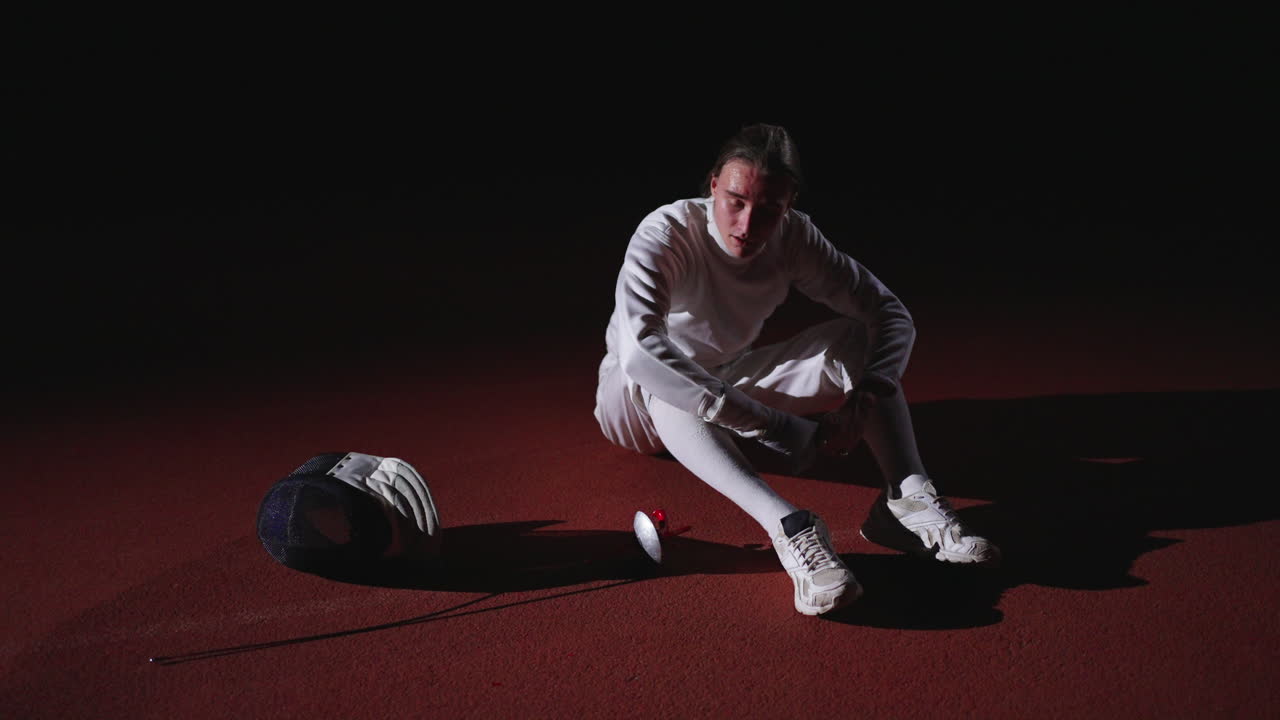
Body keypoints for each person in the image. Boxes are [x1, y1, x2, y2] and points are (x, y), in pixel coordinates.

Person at [593, 123, 1000, 616]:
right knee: (670, 381)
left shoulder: (793, 237)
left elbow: (888, 314)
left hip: (728, 376)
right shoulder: (666, 231)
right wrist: (771, 425)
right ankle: (787, 524)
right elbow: (642, 353)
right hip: (630, 403)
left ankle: (905, 498)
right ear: (713, 186)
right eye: (736, 201)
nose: (747, 224)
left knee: (857, 341)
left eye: (769, 209)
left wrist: (867, 394)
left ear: (788, 204)